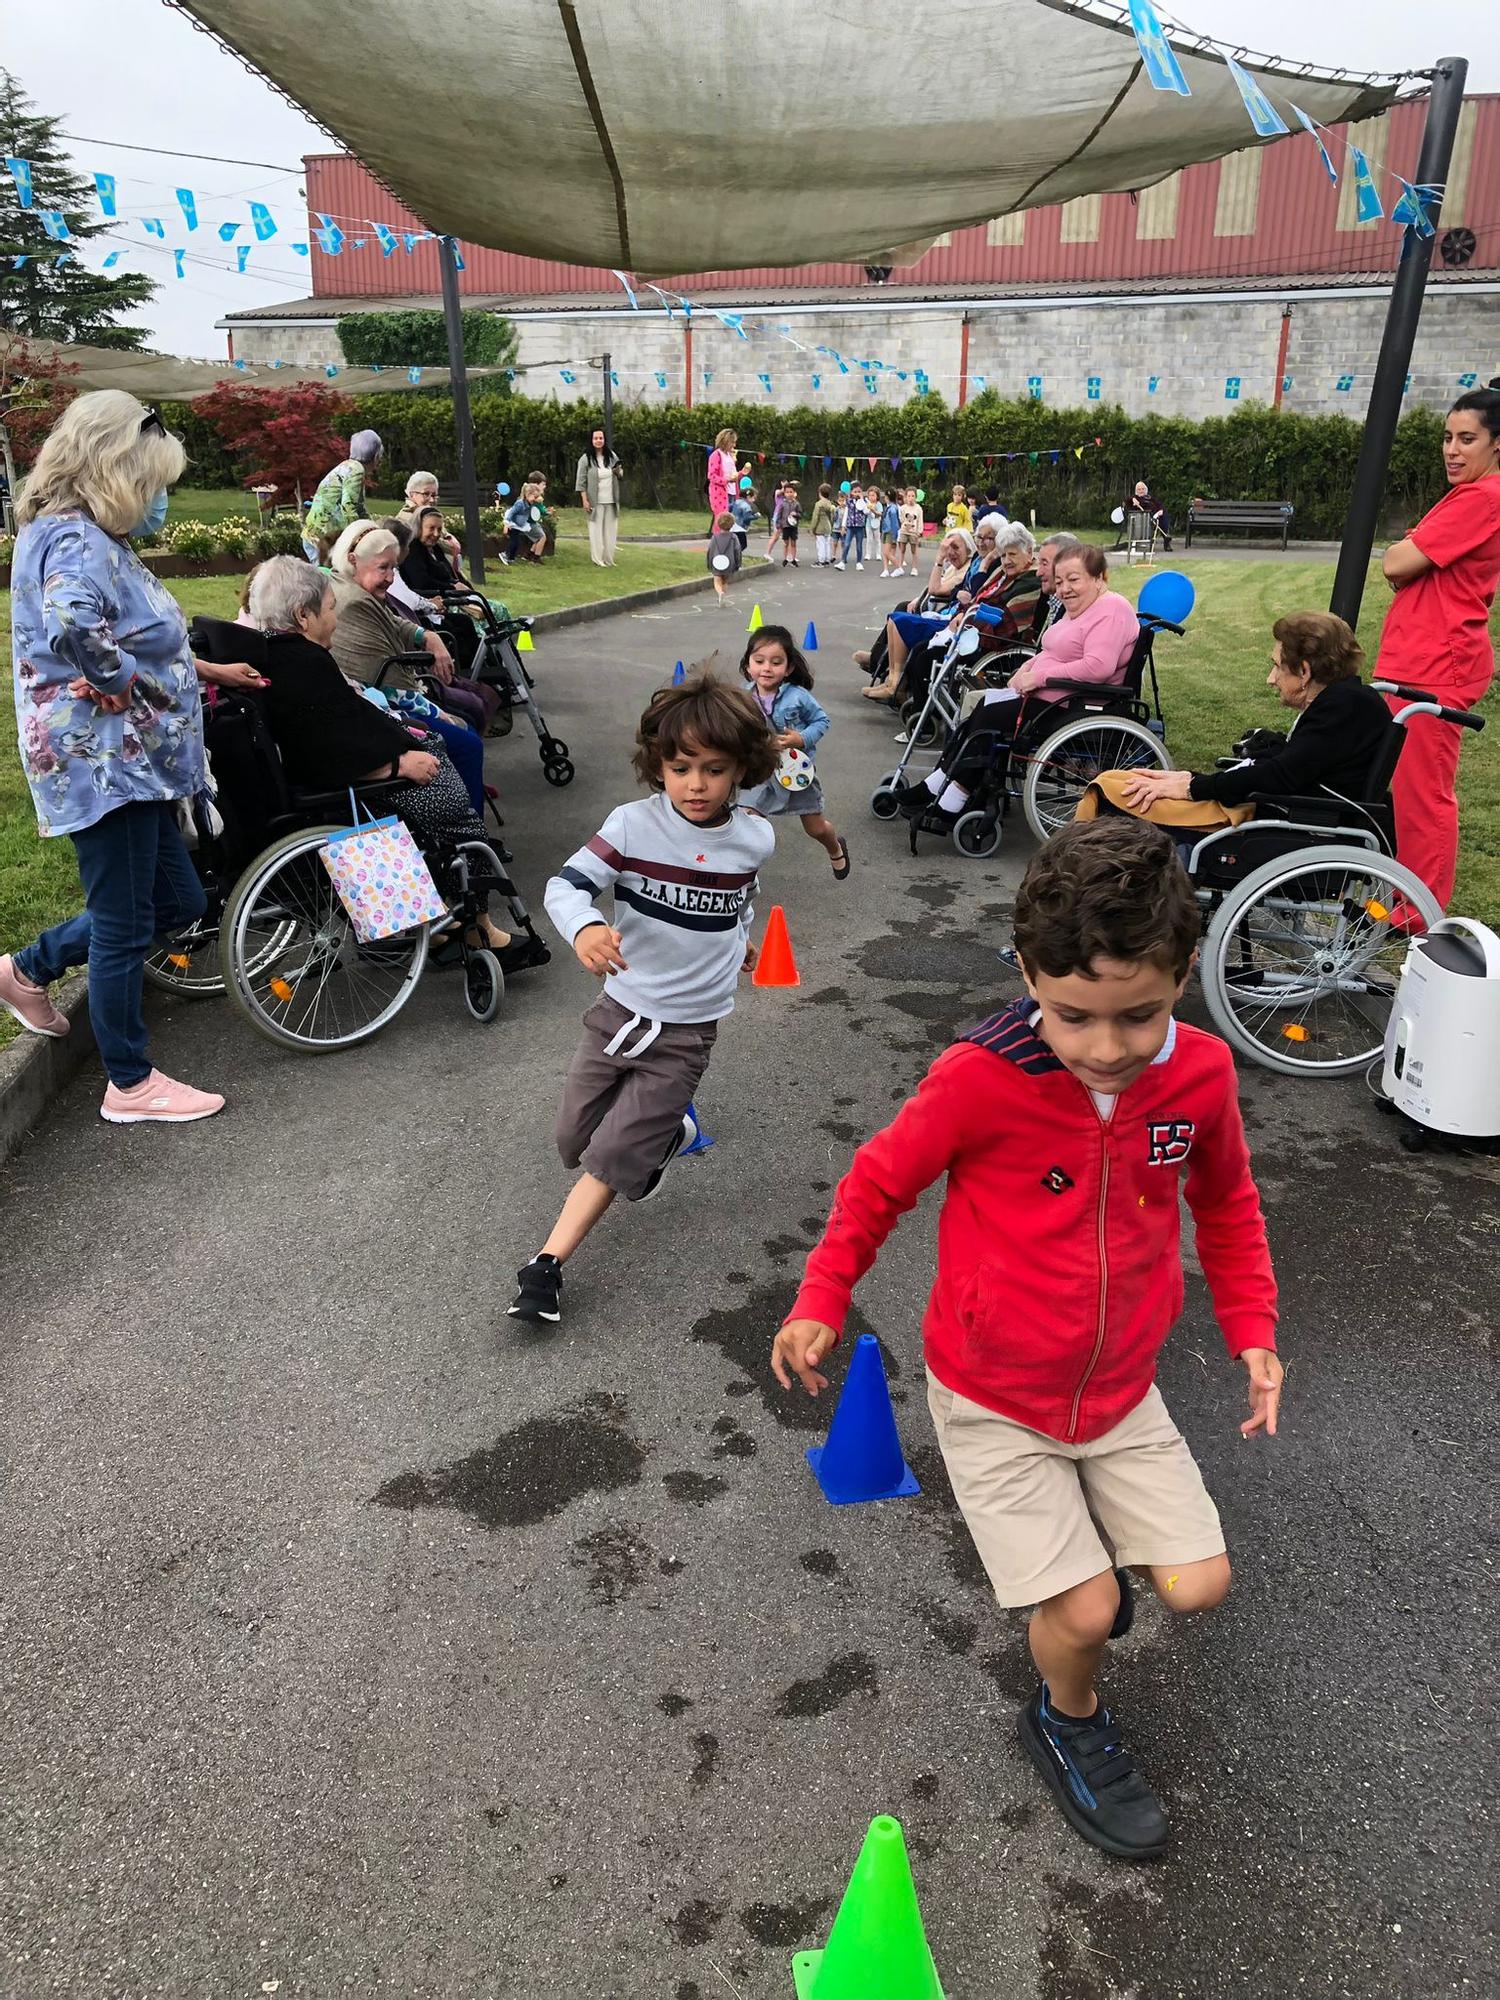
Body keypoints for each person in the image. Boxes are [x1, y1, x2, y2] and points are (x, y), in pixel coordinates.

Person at [772, 817, 1282, 1861]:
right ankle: (1069, 1714)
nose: (1107, 1047)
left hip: (1121, 1391)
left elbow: (1227, 1203)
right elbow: (877, 1183)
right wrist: (822, 1293)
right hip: (994, 1393)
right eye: (1073, 1016)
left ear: (1185, 971)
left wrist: (1253, 1327)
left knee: (1200, 1584)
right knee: (1090, 1610)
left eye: (1138, 1014)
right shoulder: (980, 1076)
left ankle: (1076, 1599)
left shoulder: (1201, 1078)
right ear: (1026, 975)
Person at [509, 673, 777, 1326]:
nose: (695, 784)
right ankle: (666, 1136)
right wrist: (587, 926)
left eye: (714, 769)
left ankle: (545, 1269)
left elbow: (739, 895)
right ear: (657, 763)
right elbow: (563, 886)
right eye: (680, 766)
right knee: (572, 1138)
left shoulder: (755, 836)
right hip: (618, 1015)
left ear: (742, 768)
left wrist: (741, 939)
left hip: (688, 1033)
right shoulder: (631, 826)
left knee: (608, 1158)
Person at [1, 391, 230, 1123]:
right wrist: (120, 679)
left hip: (128, 761)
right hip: (106, 762)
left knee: (177, 901)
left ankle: (26, 969)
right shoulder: (74, 541)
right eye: (154, 484)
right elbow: (75, 624)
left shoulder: (73, 533)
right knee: (127, 922)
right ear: (116, 469)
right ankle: (129, 1084)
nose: (158, 500)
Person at [244, 557, 509, 951]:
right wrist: (399, 763)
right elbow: (331, 746)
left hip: (347, 768)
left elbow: (347, 723)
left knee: (439, 760)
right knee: (457, 816)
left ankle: (434, 919)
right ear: (303, 615)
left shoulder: (275, 652)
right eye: (331, 609)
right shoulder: (304, 664)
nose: (335, 619)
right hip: (355, 779)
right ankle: (477, 922)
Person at [896, 543, 1137, 826]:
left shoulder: (1111, 610)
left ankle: (954, 800)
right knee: (983, 706)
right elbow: (1053, 649)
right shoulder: (1082, 609)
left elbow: (1098, 667)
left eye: (1074, 580)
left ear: (1099, 578)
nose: (1064, 589)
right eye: (1059, 582)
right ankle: (938, 783)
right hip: (1054, 696)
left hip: (1077, 704)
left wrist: (1039, 677)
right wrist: (1027, 666)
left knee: (990, 716)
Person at [1092, 612, 1393, 835]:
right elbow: (1292, 766)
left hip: (1291, 824)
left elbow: (1281, 775)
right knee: (1121, 780)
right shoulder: (1348, 702)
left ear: (1304, 671)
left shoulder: (1343, 707)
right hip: (1284, 809)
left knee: (1110, 793)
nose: (1271, 679)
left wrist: (1195, 787)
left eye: (1277, 666)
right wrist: (1193, 779)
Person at [1373, 387, 1500, 911]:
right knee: (1398, 789)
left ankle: (1417, 914)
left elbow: (1396, 563)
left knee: (1423, 797)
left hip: (1438, 662)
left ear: (1497, 445)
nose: (1452, 449)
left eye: (1467, 439)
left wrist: (1408, 548)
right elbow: (1408, 560)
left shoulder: (1483, 497)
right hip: (1418, 655)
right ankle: (1402, 898)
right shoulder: (1467, 493)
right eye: (1447, 437)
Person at [326, 521, 486, 813]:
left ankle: (468, 793)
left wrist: (426, 635)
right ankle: (472, 837)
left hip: (375, 700)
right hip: (378, 706)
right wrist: (439, 713)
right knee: (468, 741)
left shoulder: (346, 584)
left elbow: (393, 623)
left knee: (469, 722)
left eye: (394, 569)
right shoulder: (355, 604)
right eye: (383, 568)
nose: (390, 578)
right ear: (353, 559)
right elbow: (391, 685)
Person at [738, 625, 850, 879]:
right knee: (746, 817)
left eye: (776, 662)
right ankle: (741, 874)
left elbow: (822, 721)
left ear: (788, 668)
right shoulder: (740, 696)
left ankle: (835, 846)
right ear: (748, 665)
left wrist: (802, 738)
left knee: (815, 828)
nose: (767, 668)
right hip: (760, 770)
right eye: (759, 661)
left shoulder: (798, 697)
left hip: (795, 772)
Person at [899, 522, 1042, 715]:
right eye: (1003, 555)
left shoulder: (1030, 580)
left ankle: (925, 720)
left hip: (998, 644)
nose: (1006, 561)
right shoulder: (1003, 572)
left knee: (925, 657)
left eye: (1012, 554)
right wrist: (961, 614)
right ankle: (921, 711)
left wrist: (968, 622)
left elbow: (1008, 624)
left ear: (1029, 551)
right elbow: (978, 598)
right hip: (976, 632)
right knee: (920, 649)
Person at [861, 528, 979, 702]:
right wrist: (920, 597)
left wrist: (939, 559)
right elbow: (933, 588)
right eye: (948, 548)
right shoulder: (956, 567)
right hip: (940, 610)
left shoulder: (966, 570)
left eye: (956, 547)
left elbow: (935, 589)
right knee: (898, 613)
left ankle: (891, 679)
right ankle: (887, 674)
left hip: (946, 615)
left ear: (968, 549)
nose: (951, 553)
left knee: (899, 617)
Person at [302, 429, 382, 561]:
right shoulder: (356, 471)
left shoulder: (348, 467)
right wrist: (360, 535)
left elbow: (359, 508)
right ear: (376, 455)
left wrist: (373, 528)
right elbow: (348, 506)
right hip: (323, 540)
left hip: (316, 534)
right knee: (328, 579)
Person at [576, 428, 624, 567]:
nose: (598, 441)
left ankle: (609, 559)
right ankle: (598, 559)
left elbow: (620, 474)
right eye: (596, 438)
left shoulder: (612, 456)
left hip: (611, 500)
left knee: (610, 531)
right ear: (591, 440)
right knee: (596, 530)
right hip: (594, 501)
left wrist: (618, 471)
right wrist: (584, 500)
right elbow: (581, 482)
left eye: (601, 438)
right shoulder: (586, 459)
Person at [708, 429, 749, 532]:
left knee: (731, 522)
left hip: (732, 492)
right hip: (720, 493)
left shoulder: (730, 455)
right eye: (732, 442)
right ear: (726, 441)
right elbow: (712, 476)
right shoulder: (716, 455)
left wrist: (741, 473)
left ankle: (728, 545)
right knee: (721, 521)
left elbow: (732, 474)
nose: (734, 445)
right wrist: (727, 480)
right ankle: (718, 544)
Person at [503, 482, 547, 564]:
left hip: (519, 524)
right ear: (527, 494)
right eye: (535, 496)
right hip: (512, 524)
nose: (536, 498)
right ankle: (506, 554)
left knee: (516, 542)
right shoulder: (520, 504)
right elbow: (511, 513)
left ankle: (511, 558)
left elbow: (539, 509)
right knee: (514, 541)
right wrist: (506, 524)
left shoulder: (531, 503)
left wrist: (539, 501)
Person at [1125, 480, 1171, 550]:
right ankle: (1166, 537)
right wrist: (1132, 499)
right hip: (1146, 518)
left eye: (1143, 489)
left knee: (1164, 514)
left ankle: (1166, 538)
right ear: (1136, 491)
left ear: (1146, 490)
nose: (1141, 491)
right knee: (1160, 519)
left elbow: (1160, 505)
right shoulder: (1135, 498)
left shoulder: (1150, 498)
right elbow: (1127, 501)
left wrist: (1161, 510)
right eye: (1139, 489)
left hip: (1156, 516)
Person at [706, 512, 741, 604]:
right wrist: (738, 564)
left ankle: (720, 593)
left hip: (717, 561)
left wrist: (709, 563)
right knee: (725, 580)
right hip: (729, 561)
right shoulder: (734, 537)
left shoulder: (715, 537)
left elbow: (710, 551)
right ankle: (723, 594)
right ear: (732, 524)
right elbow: (737, 551)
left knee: (717, 579)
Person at [834, 483, 868, 571]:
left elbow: (865, 511)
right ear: (851, 492)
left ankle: (859, 562)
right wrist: (843, 526)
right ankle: (842, 561)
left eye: (859, 491)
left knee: (859, 545)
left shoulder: (864, 501)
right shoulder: (849, 501)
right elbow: (846, 513)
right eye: (855, 491)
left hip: (859, 526)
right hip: (850, 526)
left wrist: (861, 500)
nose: (857, 493)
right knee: (847, 543)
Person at [897, 488, 924, 574]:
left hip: (914, 532)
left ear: (916, 497)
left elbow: (920, 520)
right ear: (906, 497)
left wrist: (919, 531)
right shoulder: (903, 508)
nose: (911, 498)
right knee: (902, 549)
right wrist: (904, 526)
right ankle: (900, 567)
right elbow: (901, 519)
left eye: (913, 496)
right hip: (904, 531)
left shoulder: (918, 508)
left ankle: (914, 568)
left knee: (914, 550)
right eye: (909, 496)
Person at [810, 484, 837, 567]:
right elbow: (833, 517)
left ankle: (821, 561)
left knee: (820, 544)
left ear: (820, 493)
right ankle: (827, 560)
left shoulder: (818, 504)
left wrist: (812, 528)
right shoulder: (830, 504)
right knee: (827, 543)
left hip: (820, 527)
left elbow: (815, 517)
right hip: (828, 527)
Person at [779, 484, 802, 568]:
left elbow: (800, 514)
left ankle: (793, 559)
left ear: (794, 493)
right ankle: (785, 558)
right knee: (785, 543)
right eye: (787, 492)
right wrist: (779, 525)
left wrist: (796, 514)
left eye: (791, 492)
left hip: (793, 525)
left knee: (793, 542)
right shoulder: (782, 504)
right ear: (784, 493)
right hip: (785, 525)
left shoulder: (796, 504)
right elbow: (779, 515)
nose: (789, 494)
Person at [879, 491, 901, 577]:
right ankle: (885, 569)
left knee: (887, 552)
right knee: (884, 552)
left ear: (888, 497)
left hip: (890, 531)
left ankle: (899, 567)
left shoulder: (893, 509)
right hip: (885, 530)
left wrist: (894, 535)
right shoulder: (889, 507)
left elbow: (895, 523)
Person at [729, 485, 757, 554]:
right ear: (748, 497)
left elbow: (729, 507)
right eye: (753, 498)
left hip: (733, 526)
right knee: (743, 545)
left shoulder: (736, 502)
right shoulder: (746, 506)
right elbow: (746, 518)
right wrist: (755, 516)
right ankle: (735, 556)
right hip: (740, 527)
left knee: (734, 543)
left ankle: (733, 554)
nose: (754, 500)